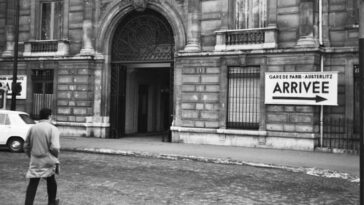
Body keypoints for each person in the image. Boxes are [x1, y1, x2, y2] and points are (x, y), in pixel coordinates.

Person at [24, 108, 60, 205]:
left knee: (33, 183)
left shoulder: (33, 128)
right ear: (49, 116)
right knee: (51, 181)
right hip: (48, 159)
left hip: (35, 160)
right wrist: (55, 157)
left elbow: (26, 146)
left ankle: (28, 203)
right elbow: (55, 147)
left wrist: (31, 156)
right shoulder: (53, 129)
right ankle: (52, 202)